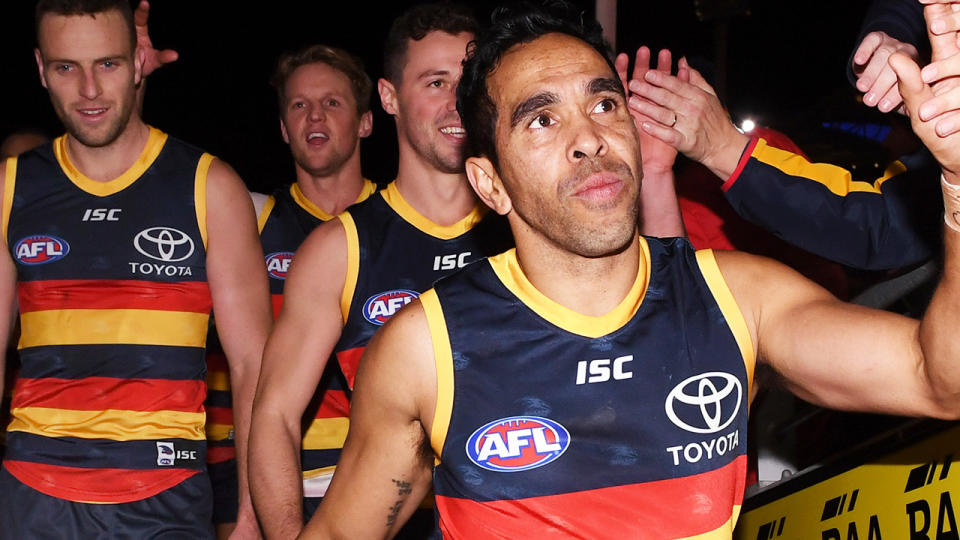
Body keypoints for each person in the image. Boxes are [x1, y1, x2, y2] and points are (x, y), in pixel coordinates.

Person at [301, 2, 960, 538]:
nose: (589, 136)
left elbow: (942, 381)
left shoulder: (738, 297)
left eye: (604, 103)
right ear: (490, 183)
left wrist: (958, 182)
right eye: (542, 119)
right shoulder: (428, 349)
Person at [0, 1, 271, 538]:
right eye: (66, 68)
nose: (90, 90)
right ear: (40, 69)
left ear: (138, 62)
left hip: (165, 497)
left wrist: (249, 514)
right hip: (34, 495)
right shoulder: (11, 187)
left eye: (107, 64)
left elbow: (254, 366)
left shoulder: (209, 185)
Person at [249, 4, 512, 538]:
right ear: (389, 98)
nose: (455, 100)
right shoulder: (338, 250)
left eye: (467, 81)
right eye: (435, 82)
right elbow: (273, 416)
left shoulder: (527, 226)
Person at [205, 42, 379, 537]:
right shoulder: (251, 223)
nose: (314, 116)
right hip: (276, 490)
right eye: (299, 105)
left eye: (332, 102)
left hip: (384, 487)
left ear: (366, 121)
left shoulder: (399, 227)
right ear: (283, 129)